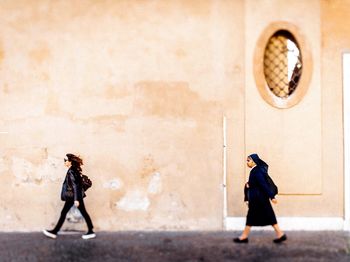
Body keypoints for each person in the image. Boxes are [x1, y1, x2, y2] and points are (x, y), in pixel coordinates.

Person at [233, 153, 287, 244]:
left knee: (251, 216)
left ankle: (244, 237)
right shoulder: (256, 170)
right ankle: (280, 234)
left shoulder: (256, 171)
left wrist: (272, 196)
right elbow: (258, 183)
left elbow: (263, 184)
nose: (247, 162)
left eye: (248, 160)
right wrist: (249, 184)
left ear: (254, 162)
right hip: (260, 198)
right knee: (269, 216)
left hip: (258, 199)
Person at [43, 154, 96, 240]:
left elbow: (75, 186)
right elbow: (77, 185)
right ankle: (90, 230)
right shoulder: (75, 170)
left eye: (65, 160)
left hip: (73, 197)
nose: (64, 162)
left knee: (66, 213)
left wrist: (76, 199)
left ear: (70, 161)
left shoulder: (71, 171)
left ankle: (54, 232)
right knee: (77, 212)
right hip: (76, 196)